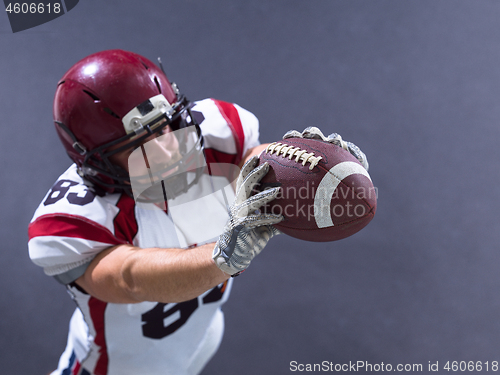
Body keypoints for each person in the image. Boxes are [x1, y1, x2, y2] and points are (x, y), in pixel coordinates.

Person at [28, 49, 368, 375]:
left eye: (163, 127)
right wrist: (221, 259)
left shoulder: (211, 135)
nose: (166, 151)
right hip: (118, 367)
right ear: (95, 162)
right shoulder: (77, 217)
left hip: (200, 338)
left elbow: (254, 163)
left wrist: (315, 166)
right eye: (135, 147)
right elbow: (128, 278)